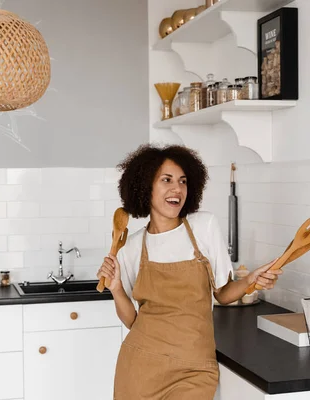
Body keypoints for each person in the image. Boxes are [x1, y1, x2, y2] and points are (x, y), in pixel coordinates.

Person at [97, 144, 282, 400]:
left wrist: (251, 280)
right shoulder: (130, 247)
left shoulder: (203, 226)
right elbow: (132, 321)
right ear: (145, 186)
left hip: (195, 369)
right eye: (167, 180)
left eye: (183, 181)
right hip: (140, 366)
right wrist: (116, 289)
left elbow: (223, 294)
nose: (177, 189)